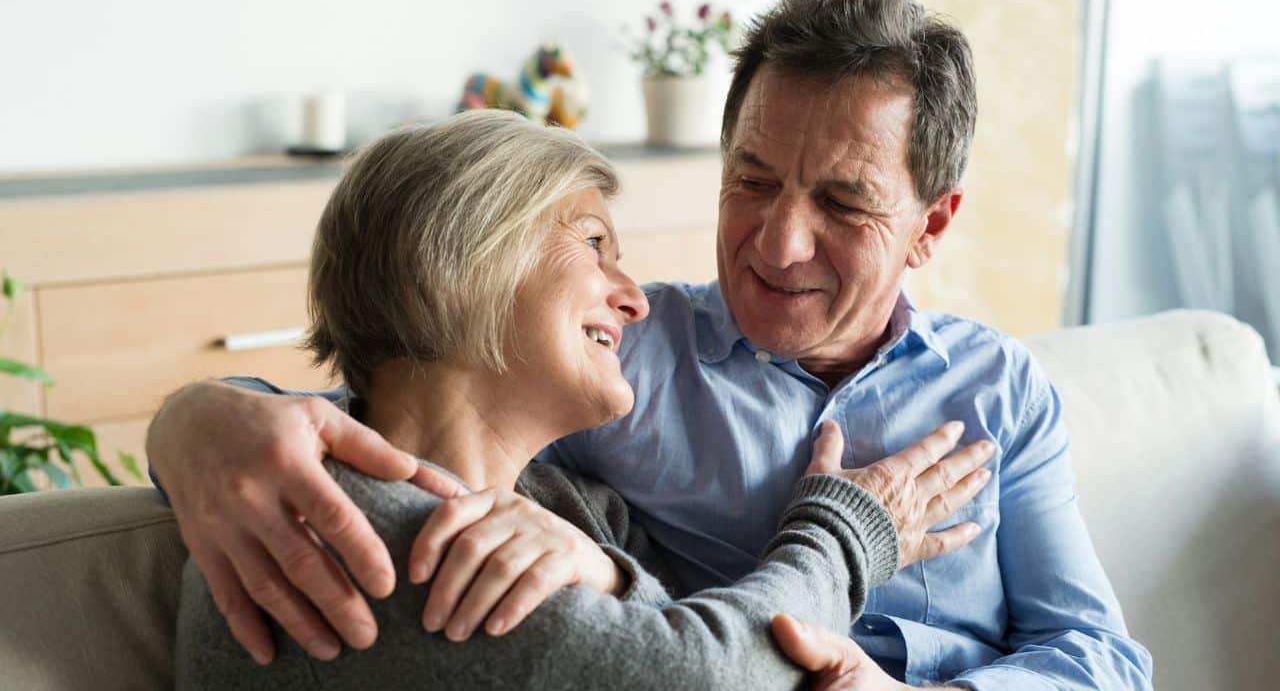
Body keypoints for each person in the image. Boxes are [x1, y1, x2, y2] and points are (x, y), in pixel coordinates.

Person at [149, 0, 1155, 689]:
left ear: (930, 224)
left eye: (842, 203)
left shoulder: (999, 386)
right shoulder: (619, 367)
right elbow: (397, 393)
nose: (778, 239)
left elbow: (1101, 660)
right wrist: (199, 419)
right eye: (750, 181)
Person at [172, 109, 993, 689]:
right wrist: (849, 533)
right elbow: (716, 673)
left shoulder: (563, 505)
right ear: (464, 256)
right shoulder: (344, 531)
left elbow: (680, 620)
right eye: (594, 243)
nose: (634, 299)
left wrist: (605, 572)